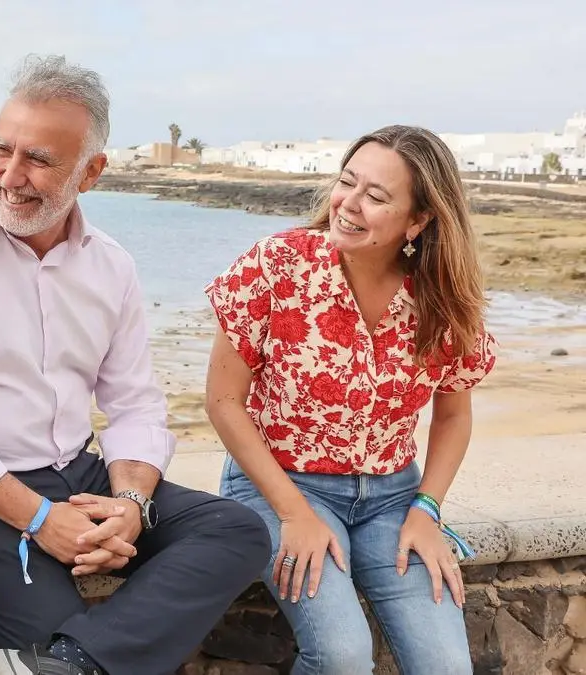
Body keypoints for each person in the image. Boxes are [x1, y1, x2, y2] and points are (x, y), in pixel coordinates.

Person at [0, 54, 272, 675]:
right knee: (62, 628)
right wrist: (42, 522)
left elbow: (134, 403)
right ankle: (73, 657)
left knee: (235, 530)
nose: (10, 175)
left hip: (73, 474)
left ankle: (69, 663)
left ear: (92, 172)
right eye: (4, 149)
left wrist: (130, 503)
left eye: (39, 160)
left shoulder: (111, 267)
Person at [204, 125, 497, 675]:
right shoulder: (277, 266)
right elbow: (223, 402)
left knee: (446, 667)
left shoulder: (442, 301)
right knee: (341, 656)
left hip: (392, 499)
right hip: (281, 485)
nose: (349, 204)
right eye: (347, 182)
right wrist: (294, 513)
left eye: (377, 196)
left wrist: (427, 508)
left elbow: (454, 414)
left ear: (419, 220)